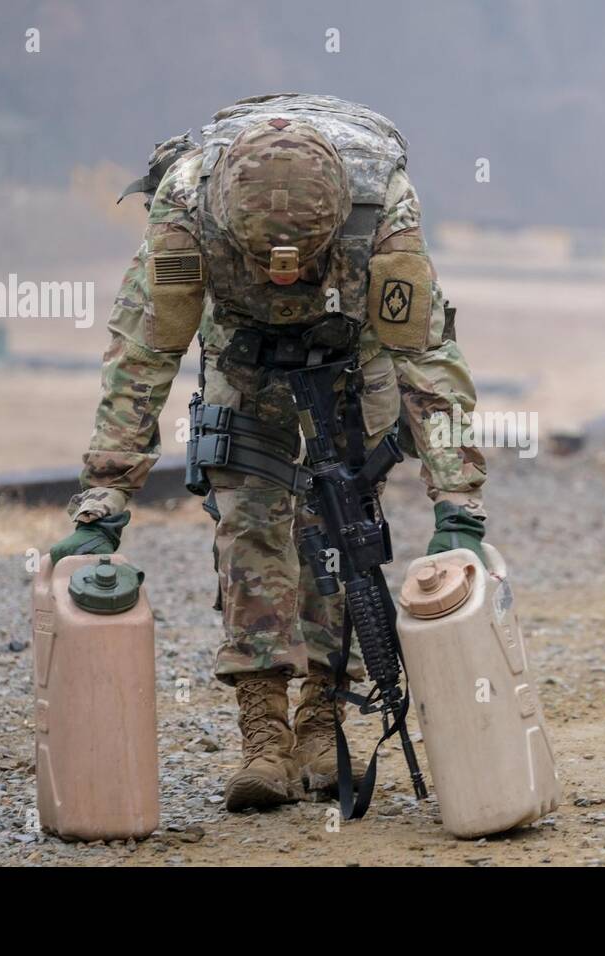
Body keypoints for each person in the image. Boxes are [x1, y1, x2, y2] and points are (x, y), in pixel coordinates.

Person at [49, 94, 487, 810]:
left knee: (339, 526)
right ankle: (264, 736)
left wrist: (459, 500)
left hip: (354, 353)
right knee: (248, 524)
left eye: (299, 261)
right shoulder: (185, 213)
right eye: (267, 261)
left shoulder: (383, 213)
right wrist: (105, 496)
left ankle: (322, 719)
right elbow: (144, 354)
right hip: (243, 358)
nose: (284, 274)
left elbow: (429, 359)